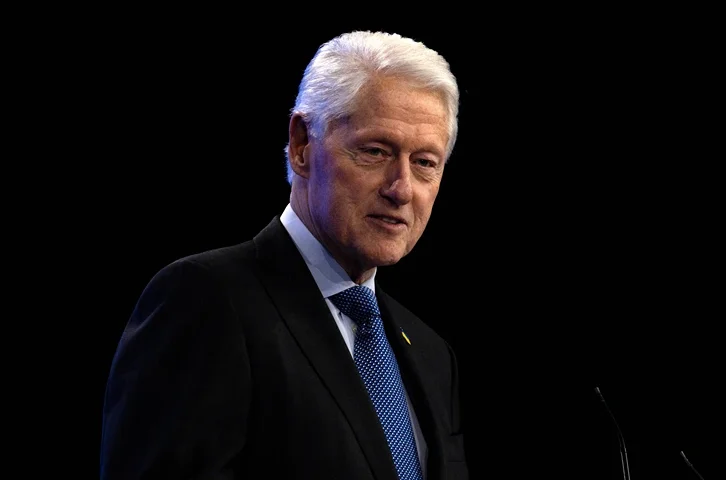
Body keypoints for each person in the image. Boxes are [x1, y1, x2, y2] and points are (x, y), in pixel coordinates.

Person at [99, 30, 468, 479]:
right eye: (375, 151)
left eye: (425, 162)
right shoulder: (206, 302)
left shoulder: (430, 352)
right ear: (301, 145)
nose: (402, 188)